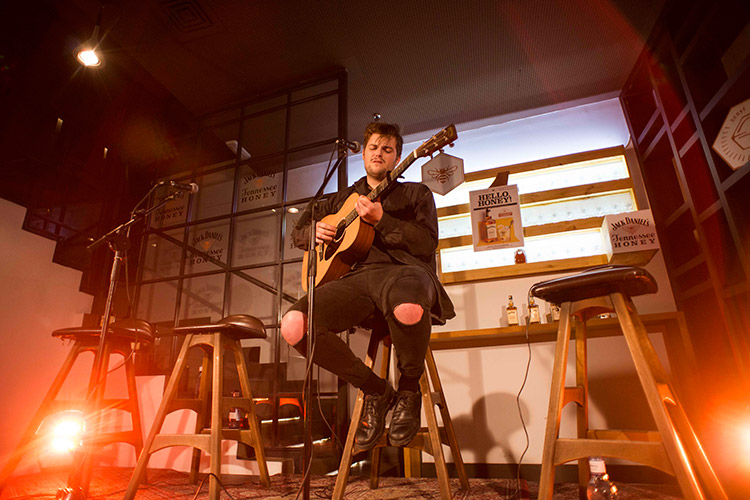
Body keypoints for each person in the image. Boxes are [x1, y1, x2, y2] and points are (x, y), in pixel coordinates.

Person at [280, 121, 455, 450]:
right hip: (357, 279)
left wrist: (382, 221)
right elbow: (299, 231)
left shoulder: (416, 194)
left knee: (408, 306)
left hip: (406, 273)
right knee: (293, 325)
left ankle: (408, 391)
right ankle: (377, 390)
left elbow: (426, 243)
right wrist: (311, 232)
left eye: (387, 149)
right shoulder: (342, 199)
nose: (379, 153)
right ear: (363, 154)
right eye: (373, 147)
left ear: (397, 158)